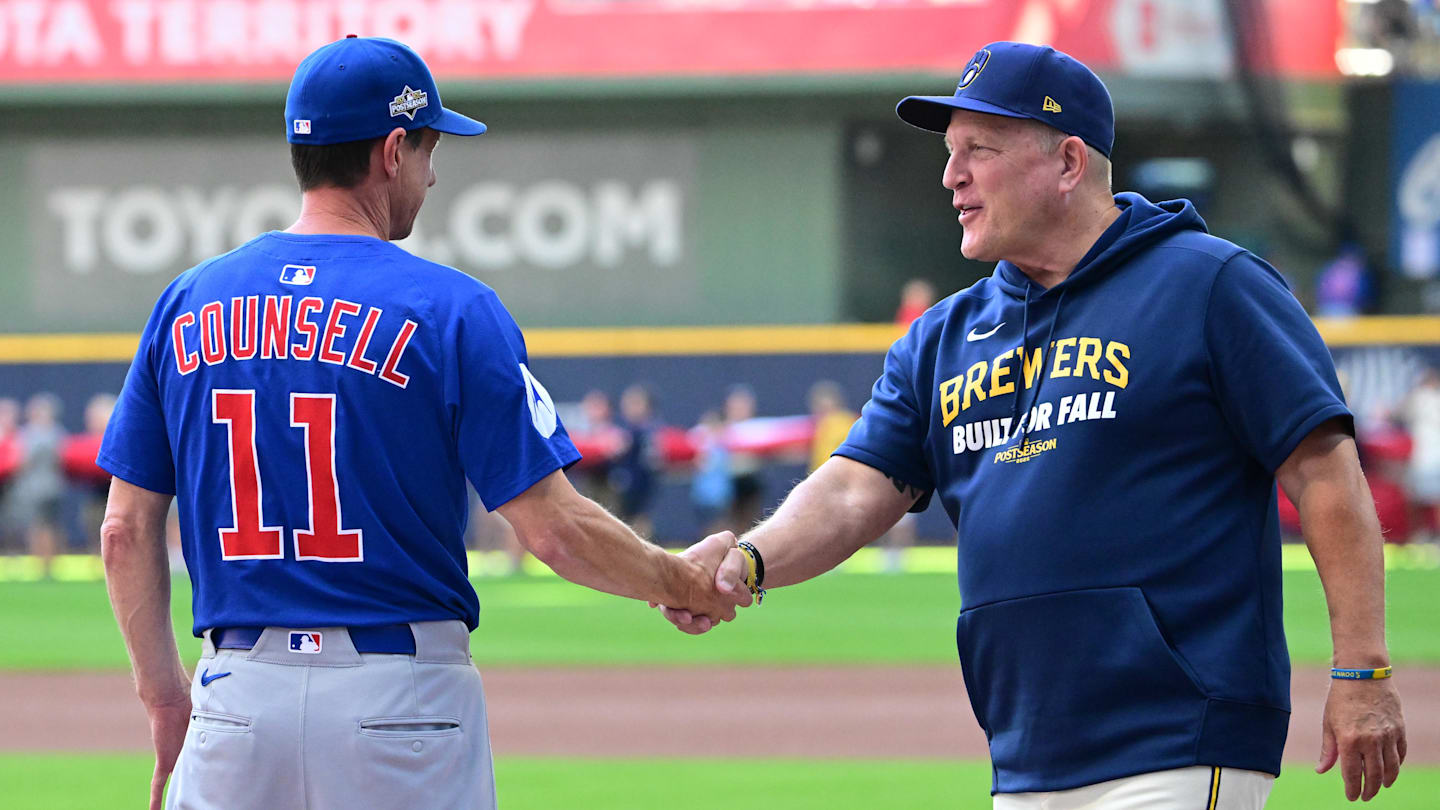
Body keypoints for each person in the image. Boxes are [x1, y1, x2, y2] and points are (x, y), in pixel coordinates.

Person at [661, 41, 1405, 807]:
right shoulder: (943, 337)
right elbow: (853, 492)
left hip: (1179, 737)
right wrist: (746, 562)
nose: (951, 177)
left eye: (978, 150)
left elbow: (1323, 471)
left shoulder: (1210, 285)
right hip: (1026, 753)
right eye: (951, 154)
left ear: (1069, 163)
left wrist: (1362, 670)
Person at [97, 36, 745, 810]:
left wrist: (166, 696)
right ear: (393, 149)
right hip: (399, 706)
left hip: (237, 702)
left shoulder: (187, 302)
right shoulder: (452, 309)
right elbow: (554, 529)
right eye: (431, 147)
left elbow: (124, 532)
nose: (433, 173)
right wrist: (678, 581)